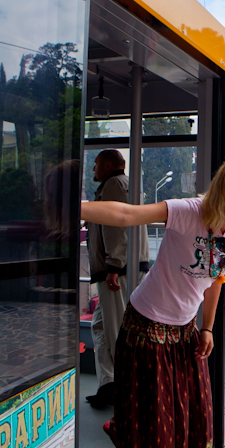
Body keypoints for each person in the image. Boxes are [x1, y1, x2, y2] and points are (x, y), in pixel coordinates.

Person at [80, 155, 225, 448]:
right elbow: (126, 216)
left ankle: (122, 424)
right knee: (156, 429)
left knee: (195, 421)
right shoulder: (189, 211)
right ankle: (122, 427)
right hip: (146, 327)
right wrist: (72, 208)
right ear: (220, 188)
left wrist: (206, 328)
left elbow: (215, 281)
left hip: (185, 333)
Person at [85, 149, 149, 408]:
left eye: (97, 164)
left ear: (109, 165)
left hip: (118, 272)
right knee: (100, 326)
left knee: (115, 334)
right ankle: (108, 385)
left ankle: (127, 392)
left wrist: (113, 265)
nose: (93, 170)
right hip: (123, 269)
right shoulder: (126, 184)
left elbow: (115, 228)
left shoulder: (112, 186)